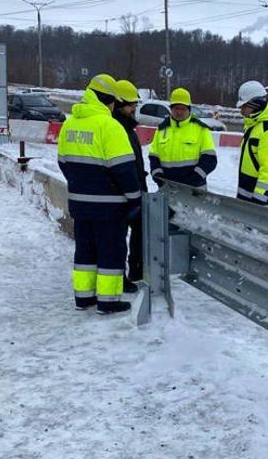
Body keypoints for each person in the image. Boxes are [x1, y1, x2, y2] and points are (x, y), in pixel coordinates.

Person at [57, 74, 142, 315]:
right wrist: (134, 198)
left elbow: (63, 162)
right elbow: (124, 169)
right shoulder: (109, 126)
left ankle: (83, 298)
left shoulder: (70, 123)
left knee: (85, 251)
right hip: (110, 206)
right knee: (111, 253)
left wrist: (82, 186)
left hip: (80, 204)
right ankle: (108, 301)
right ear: (109, 100)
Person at [112, 79, 147, 292]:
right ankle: (120, 276)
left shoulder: (128, 126)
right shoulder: (116, 127)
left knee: (139, 232)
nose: (134, 107)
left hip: (135, 189)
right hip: (121, 193)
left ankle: (136, 271)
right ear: (118, 103)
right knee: (117, 237)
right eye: (130, 103)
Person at [148, 87, 217, 189]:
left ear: (189, 109)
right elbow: (154, 158)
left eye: (183, 109)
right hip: (167, 190)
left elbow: (210, 160)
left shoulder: (201, 130)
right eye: (176, 108)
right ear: (171, 109)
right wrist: (158, 177)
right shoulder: (161, 130)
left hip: (194, 192)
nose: (179, 112)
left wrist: (194, 179)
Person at [235, 80, 268, 210]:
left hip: (265, 204)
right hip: (250, 198)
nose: (241, 110)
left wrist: (258, 201)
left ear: (255, 104)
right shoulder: (255, 126)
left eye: (244, 106)